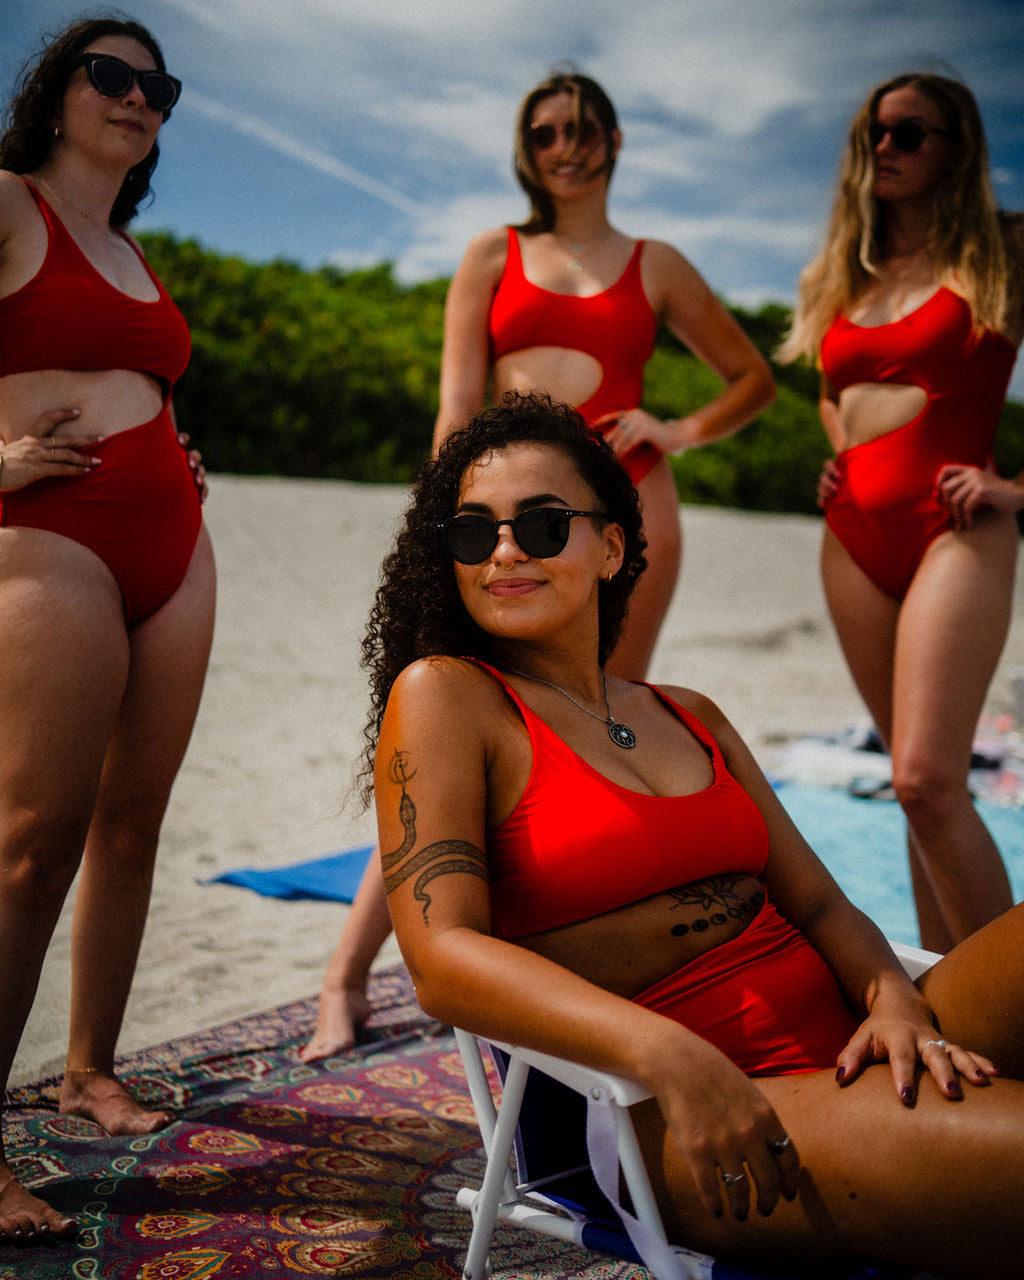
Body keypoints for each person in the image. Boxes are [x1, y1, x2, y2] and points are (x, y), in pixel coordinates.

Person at [369, 391, 1024, 1278]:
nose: (506, 550)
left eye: (542, 522)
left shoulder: (690, 713)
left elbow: (821, 900)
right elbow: (442, 958)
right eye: (473, 532)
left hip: (856, 1040)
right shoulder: (448, 696)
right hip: (678, 1116)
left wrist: (895, 998)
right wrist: (669, 1054)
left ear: (610, 547)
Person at [300, 70, 774, 1061]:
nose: (568, 144)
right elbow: (454, 408)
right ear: (528, 148)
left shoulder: (656, 263)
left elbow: (754, 377)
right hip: (497, 535)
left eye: (585, 127)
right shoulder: (491, 253)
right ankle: (345, 977)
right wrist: (442, 527)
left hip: (623, 512)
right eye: (547, 130)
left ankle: (623, 973)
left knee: (608, 737)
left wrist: (674, 428)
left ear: (612, 140)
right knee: (436, 754)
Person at [0, 18, 214, 1241]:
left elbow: (149, 384)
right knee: (33, 843)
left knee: (133, 820)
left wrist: (175, 445)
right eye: (112, 75)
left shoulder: (135, 251)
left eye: (159, 86)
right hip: (50, 541)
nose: (139, 99)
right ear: (57, 88)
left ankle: (88, 1071)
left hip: (175, 550)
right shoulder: (8, 203)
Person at [779, 72, 1024, 954]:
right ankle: (962, 1007)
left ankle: (1015, 1017)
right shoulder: (845, 271)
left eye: (910, 134)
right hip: (853, 540)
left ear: (956, 147)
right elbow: (833, 389)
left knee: (929, 782)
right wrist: (844, 449)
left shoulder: (1006, 251)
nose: (886, 148)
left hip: (959, 527)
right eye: (873, 134)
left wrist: (1017, 491)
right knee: (907, 783)